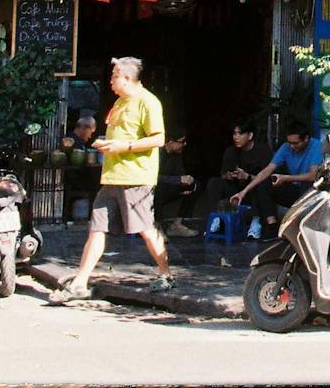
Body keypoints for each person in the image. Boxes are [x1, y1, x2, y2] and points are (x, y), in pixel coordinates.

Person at [48, 57, 174, 302]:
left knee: (146, 230)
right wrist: (105, 144)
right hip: (111, 177)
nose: (111, 81)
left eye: (114, 76)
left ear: (127, 78)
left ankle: (166, 274)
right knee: (97, 229)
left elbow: (158, 139)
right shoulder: (118, 103)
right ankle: (80, 282)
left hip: (135, 177)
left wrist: (123, 146)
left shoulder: (148, 102)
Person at [232, 120, 323, 231]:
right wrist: (244, 191)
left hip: (310, 194)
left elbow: (313, 175)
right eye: (290, 143)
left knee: (308, 183)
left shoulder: (316, 145)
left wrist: (286, 178)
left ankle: (305, 224)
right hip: (294, 191)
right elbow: (267, 170)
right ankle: (272, 225)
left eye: (296, 143)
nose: (292, 147)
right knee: (264, 182)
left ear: (306, 139)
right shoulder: (286, 148)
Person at [190, 120, 274, 236]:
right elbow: (223, 174)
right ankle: (216, 219)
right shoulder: (231, 151)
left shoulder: (263, 150)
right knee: (214, 182)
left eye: (240, 134)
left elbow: (267, 177)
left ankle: (256, 222)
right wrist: (229, 176)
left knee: (258, 184)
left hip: (254, 192)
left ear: (250, 135)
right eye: (234, 134)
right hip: (235, 189)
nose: (236, 137)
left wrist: (248, 177)